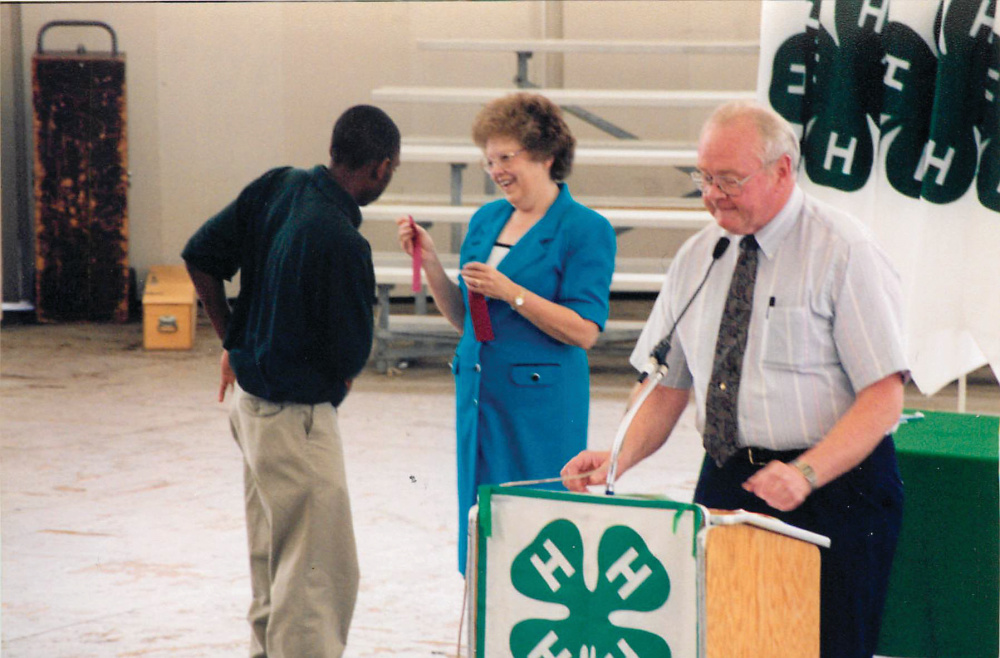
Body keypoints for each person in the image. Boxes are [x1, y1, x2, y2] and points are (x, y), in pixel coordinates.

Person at [562, 100, 907, 658]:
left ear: (782, 171)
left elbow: (884, 398)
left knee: (826, 646)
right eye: (704, 177)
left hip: (837, 489)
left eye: (730, 179)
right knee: (721, 641)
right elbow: (667, 385)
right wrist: (615, 457)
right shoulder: (697, 257)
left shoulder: (845, 250)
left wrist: (806, 473)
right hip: (727, 483)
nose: (713, 193)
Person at [181, 105, 400, 658]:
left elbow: (201, 255)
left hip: (249, 408)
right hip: (296, 421)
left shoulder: (279, 185)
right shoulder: (344, 243)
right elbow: (351, 353)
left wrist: (232, 339)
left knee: (275, 562)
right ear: (380, 168)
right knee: (317, 580)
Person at [396, 92, 617, 573]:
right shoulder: (486, 219)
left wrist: (512, 292)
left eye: (505, 157)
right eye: (488, 159)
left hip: (541, 407)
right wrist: (430, 261)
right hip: (480, 396)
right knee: (482, 529)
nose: (495, 169)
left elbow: (584, 331)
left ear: (546, 154)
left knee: (538, 527)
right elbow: (469, 318)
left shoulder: (584, 229)